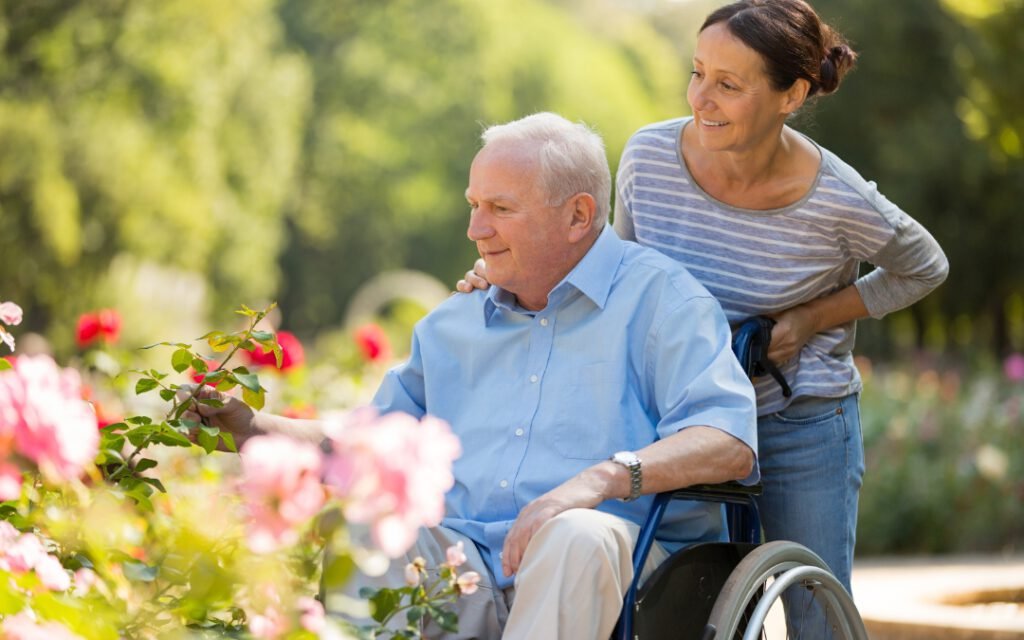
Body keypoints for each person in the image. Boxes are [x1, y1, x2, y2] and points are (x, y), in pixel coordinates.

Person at [457, 0, 948, 634]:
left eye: (728, 85)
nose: (701, 98)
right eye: (697, 73)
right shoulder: (650, 158)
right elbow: (614, 273)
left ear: (791, 94)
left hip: (795, 412)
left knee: (813, 614)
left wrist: (812, 318)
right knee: (679, 599)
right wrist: (508, 270)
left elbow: (924, 266)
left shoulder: (837, 198)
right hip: (677, 412)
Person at [190, 112, 758, 639]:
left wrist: (599, 481)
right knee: (362, 525)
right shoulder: (453, 324)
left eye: (500, 208)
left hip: (627, 579)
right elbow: (369, 443)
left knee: (575, 533)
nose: (475, 229)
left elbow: (728, 442)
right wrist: (253, 427)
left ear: (578, 216)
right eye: (474, 205)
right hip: (469, 569)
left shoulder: (663, 302)